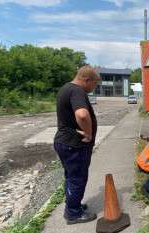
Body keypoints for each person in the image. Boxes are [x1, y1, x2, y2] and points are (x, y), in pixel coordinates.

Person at [53, 65, 101, 224]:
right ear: (86, 80)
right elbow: (82, 114)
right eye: (94, 84)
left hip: (65, 142)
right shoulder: (77, 91)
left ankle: (73, 205)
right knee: (77, 178)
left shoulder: (66, 88)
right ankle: (73, 214)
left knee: (71, 177)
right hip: (74, 145)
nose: (94, 88)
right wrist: (88, 134)